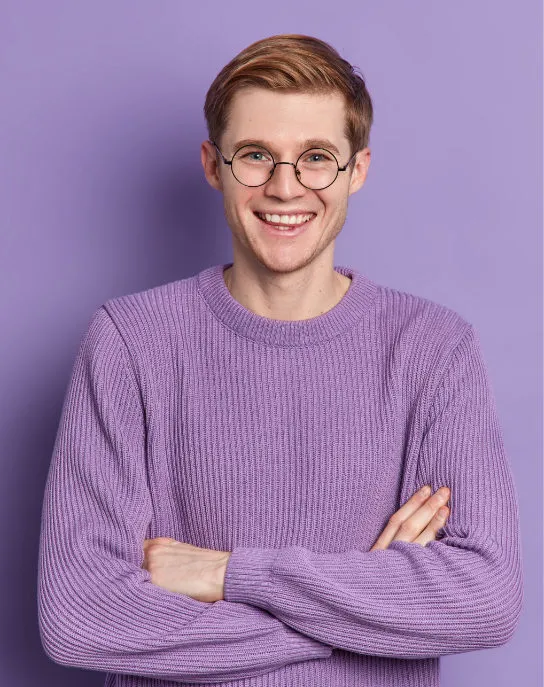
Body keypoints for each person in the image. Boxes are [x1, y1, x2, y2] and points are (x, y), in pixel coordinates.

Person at [37, 34, 523, 687]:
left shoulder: (434, 349)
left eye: (316, 157)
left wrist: (228, 574)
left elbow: (486, 598)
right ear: (213, 165)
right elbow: (79, 616)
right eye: (256, 156)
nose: (284, 187)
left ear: (357, 170)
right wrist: (356, 616)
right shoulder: (129, 341)